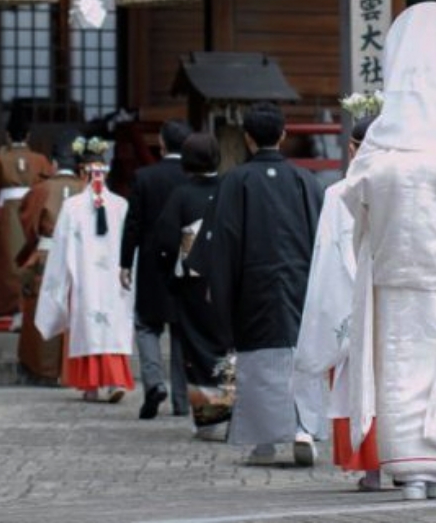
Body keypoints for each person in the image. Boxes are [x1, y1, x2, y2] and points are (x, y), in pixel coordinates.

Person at [341, 1, 436, 501]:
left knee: (397, 359)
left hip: (391, 266)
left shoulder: (383, 134)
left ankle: (407, 469)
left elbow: (353, 195)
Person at [207, 101, 324, 467]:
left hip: (252, 286)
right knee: (301, 358)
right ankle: (304, 428)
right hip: (301, 282)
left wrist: (219, 288)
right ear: (284, 134)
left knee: (259, 365)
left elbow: (222, 240)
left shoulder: (235, 180)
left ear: (248, 138)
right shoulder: (306, 180)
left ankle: (264, 443)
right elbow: (324, 235)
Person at [295, 112, 381, 492]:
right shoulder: (400, 185)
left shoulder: (336, 194)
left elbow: (328, 254)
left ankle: (370, 468)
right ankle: (403, 460)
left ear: (351, 148)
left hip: (351, 294)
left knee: (355, 378)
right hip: (396, 298)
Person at [35, 136, 135, 403]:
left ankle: (91, 385)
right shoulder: (121, 205)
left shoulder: (72, 207)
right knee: (113, 323)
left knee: (87, 323)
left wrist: (59, 283)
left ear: (83, 172)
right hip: (114, 276)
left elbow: (59, 251)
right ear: (106, 171)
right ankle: (114, 380)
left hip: (85, 277)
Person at [155, 131, 234, 440]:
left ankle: (210, 417)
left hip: (194, 283)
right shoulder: (230, 189)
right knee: (229, 345)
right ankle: (235, 412)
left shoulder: (182, 194)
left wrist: (170, 277)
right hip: (228, 279)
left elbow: (164, 241)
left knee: (199, 348)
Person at [119, 119, 191, 420]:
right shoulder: (193, 177)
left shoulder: (144, 177)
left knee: (147, 325)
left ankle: (153, 382)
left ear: (161, 143)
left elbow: (133, 223)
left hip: (151, 260)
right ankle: (181, 399)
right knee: (180, 329)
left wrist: (124, 262)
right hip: (185, 259)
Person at [15, 133, 83, 383]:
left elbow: (28, 223)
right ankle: (75, 371)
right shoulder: (85, 189)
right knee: (75, 311)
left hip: (47, 253)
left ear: (53, 164)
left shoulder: (41, 189)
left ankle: (41, 370)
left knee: (42, 309)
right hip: (79, 257)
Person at [0, 110, 52, 320]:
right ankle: (28, 304)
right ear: (28, 136)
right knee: (30, 256)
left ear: (8, 136)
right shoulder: (40, 160)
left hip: (9, 212)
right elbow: (50, 187)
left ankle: (6, 307)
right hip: (34, 210)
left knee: (7, 260)